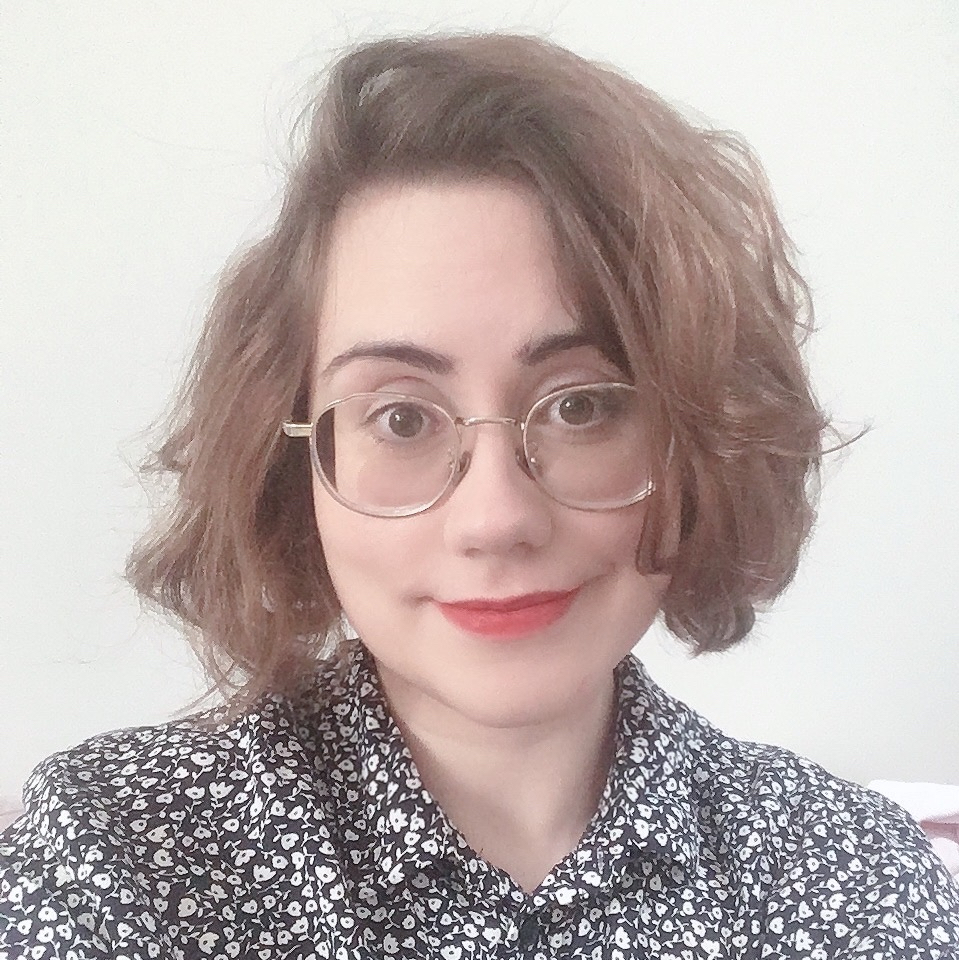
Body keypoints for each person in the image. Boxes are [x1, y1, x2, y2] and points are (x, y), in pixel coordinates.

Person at [1, 32, 957, 960]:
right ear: (290, 468)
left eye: (581, 406)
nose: (496, 519)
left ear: (700, 437)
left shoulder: (860, 871)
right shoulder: (111, 859)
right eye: (403, 420)